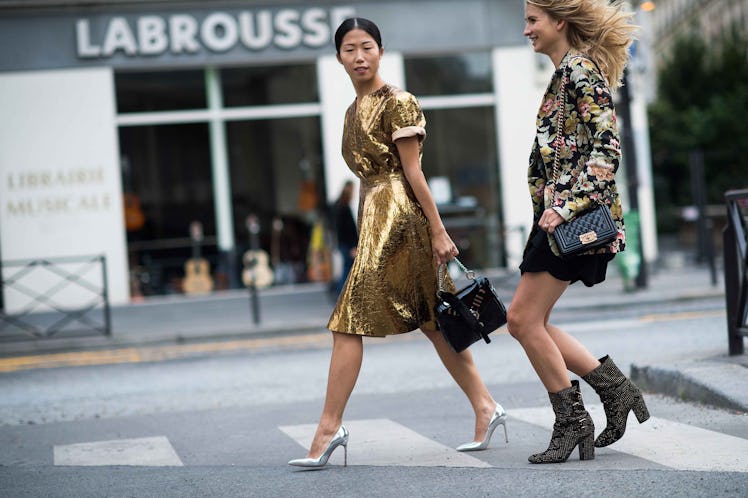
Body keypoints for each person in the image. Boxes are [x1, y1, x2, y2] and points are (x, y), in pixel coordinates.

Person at [288, 17, 507, 468]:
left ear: (381, 51)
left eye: (367, 46)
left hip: (402, 221)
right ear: (338, 58)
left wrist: (439, 231)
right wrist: (367, 232)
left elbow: (413, 173)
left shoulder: (400, 102)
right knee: (432, 321)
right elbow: (368, 181)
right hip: (374, 218)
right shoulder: (351, 112)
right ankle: (487, 407)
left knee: (349, 320)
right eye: (350, 49)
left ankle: (329, 428)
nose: (360, 56)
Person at [508, 0, 649, 464]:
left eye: (532, 20)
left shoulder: (579, 71)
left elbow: (608, 145)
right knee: (533, 323)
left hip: (571, 220)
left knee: (523, 321)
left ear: (558, 22)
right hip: (558, 219)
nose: (526, 29)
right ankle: (616, 392)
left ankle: (574, 422)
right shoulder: (566, 72)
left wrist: (566, 206)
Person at [331, 180, 359, 296]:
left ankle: (340, 292)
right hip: (347, 244)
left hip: (344, 243)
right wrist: (353, 246)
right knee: (347, 269)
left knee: (346, 268)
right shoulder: (344, 208)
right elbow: (348, 230)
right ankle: (340, 293)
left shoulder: (339, 206)